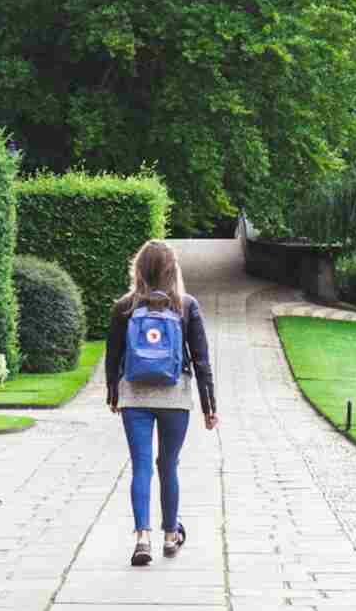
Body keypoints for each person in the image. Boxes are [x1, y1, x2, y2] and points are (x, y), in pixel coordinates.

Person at [106, 240, 219, 567]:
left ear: (138, 269)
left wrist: (114, 394)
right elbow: (201, 361)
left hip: (135, 395)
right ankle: (171, 535)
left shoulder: (125, 307)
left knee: (140, 465)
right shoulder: (185, 305)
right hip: (175, 396)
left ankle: (143, 536)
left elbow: (112, 357)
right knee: (168, 465)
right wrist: (209, 406)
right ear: (173, 270)